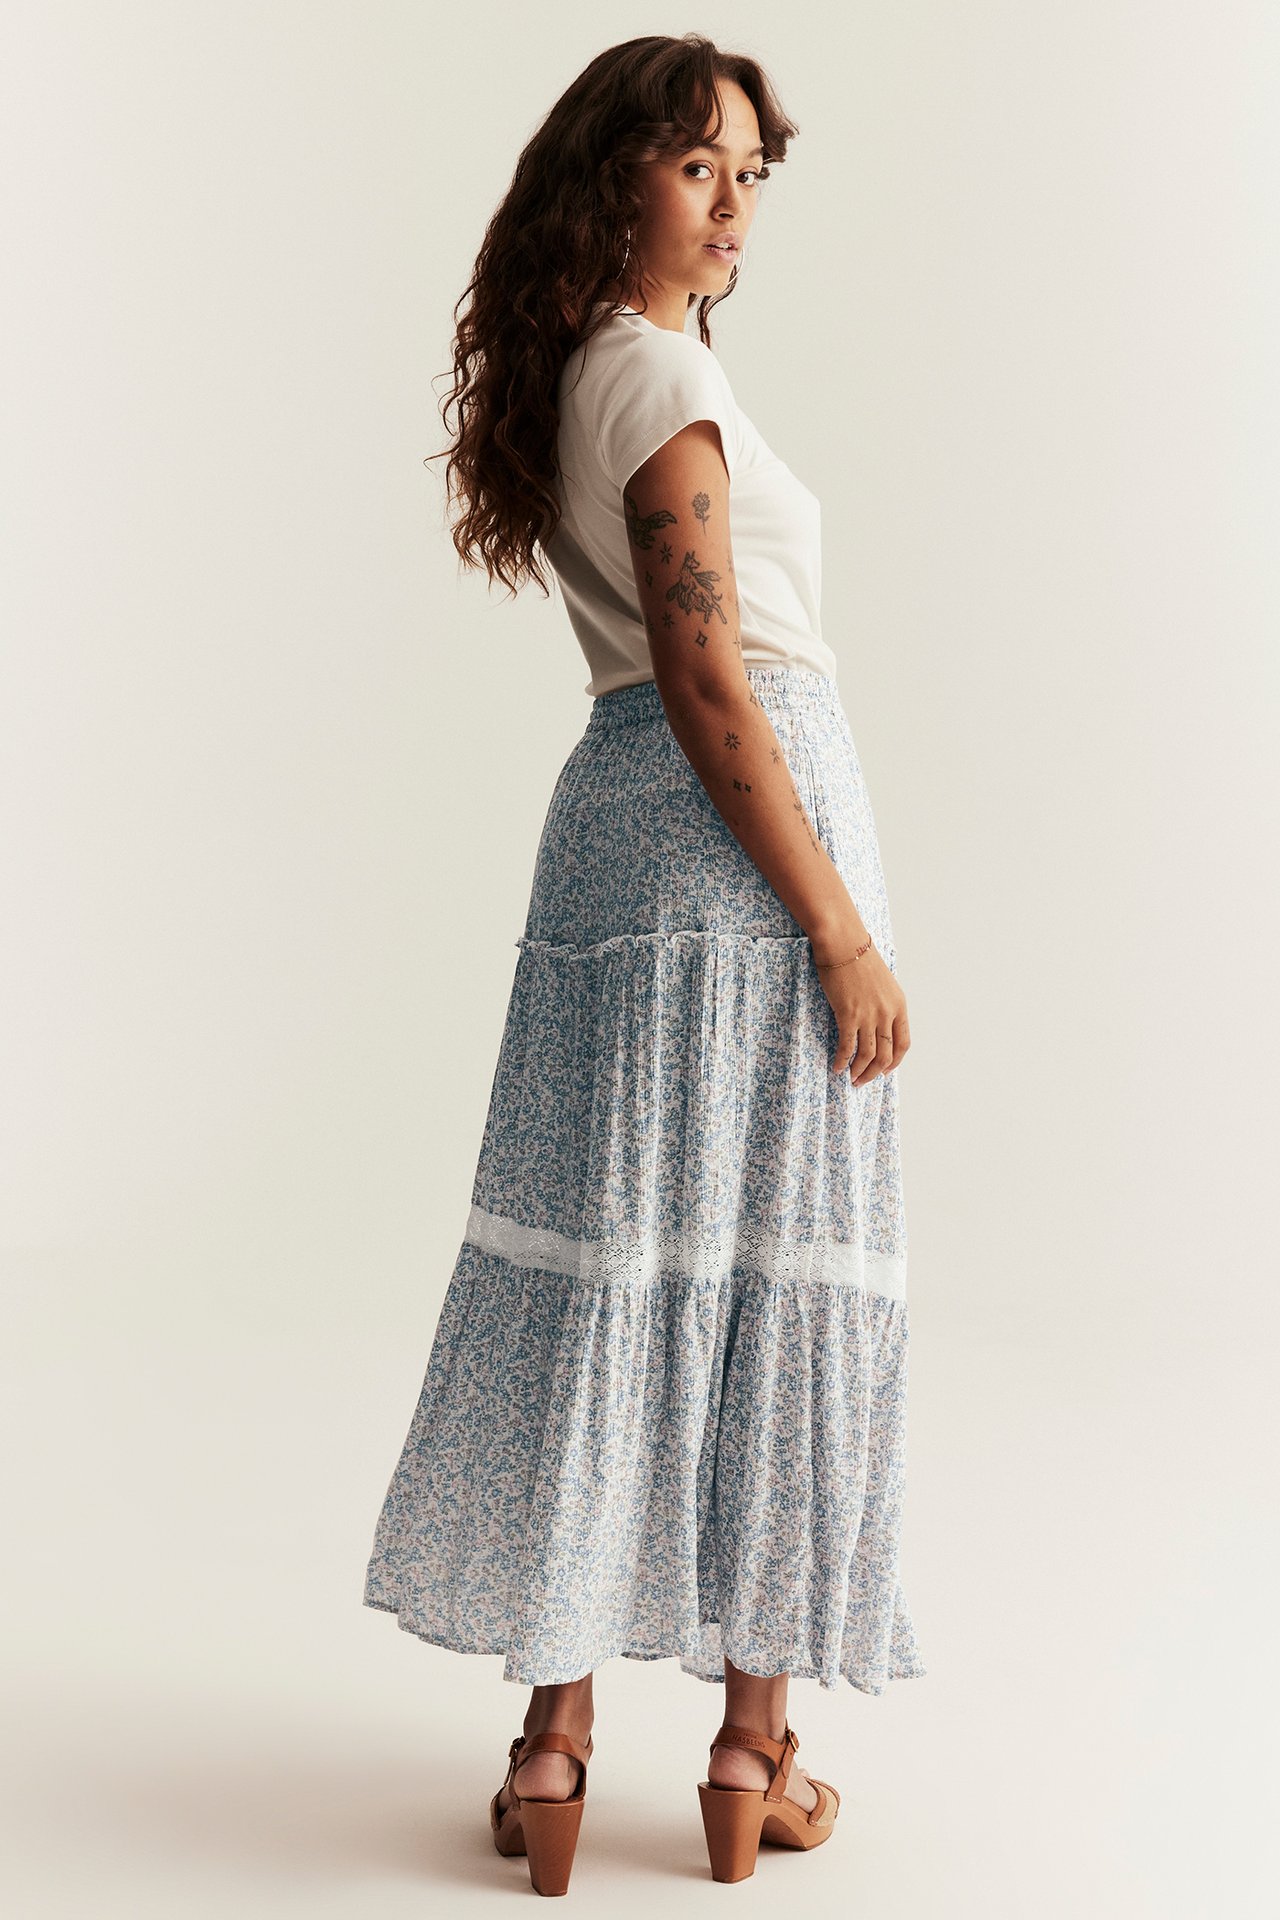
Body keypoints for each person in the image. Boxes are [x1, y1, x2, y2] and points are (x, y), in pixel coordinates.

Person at [363, 33, 926, 1894]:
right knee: (770, 1274)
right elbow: (710, 669)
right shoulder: (662, 371)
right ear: (617, 177)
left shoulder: (586, 368)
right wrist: (836, 917)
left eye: (753, 170)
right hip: (737, 857)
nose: (736, 200)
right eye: (700, 165)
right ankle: (753, 1754)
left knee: (618, 1260)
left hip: (625, 839)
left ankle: (551, 1748)